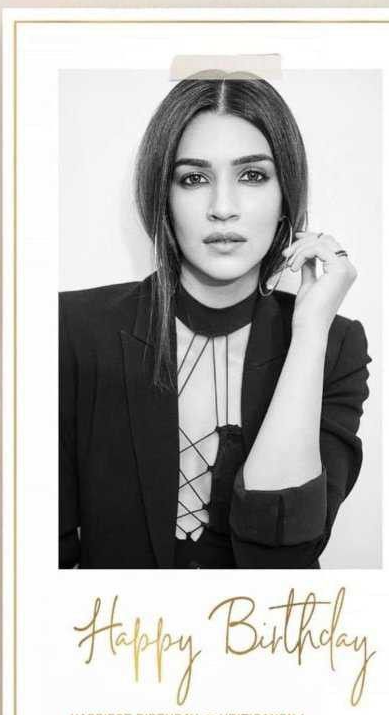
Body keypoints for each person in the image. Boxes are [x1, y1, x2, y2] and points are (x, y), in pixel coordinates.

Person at [59, 71, 372, 570]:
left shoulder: (335, 344)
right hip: (118, 638)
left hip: (260, 640)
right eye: (194, 178)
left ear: (284, 197)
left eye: (252, 176)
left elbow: (288, 551)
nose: (222, 209)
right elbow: (40, 560)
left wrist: (309, 333)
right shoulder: (72, 330)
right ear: (163, 195)